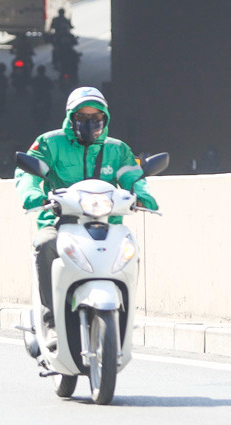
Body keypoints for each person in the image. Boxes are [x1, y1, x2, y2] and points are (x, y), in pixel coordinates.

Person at [15, 87, 156, 335]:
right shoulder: (50, 143)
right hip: (60, 221)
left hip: (108, 224)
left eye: (96, 117)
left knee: (130, 250)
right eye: (82, 117)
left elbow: (133, 177)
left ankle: (124, 312)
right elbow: (29, 173)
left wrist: (143, 196)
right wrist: (32, 194)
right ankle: (51, 321)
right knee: (44, 244)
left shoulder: (117, 150)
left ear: (105, 119)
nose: (90, 123)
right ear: (71, 118)